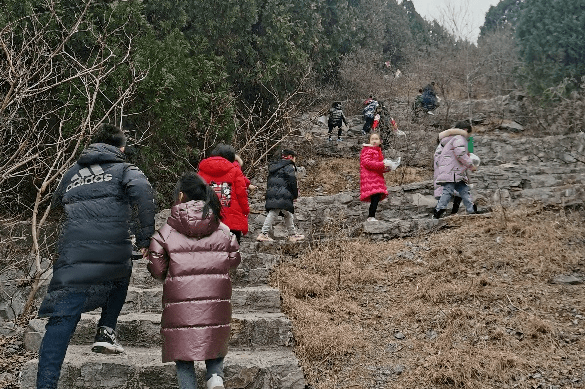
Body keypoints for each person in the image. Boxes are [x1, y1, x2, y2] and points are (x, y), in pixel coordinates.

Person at [36, 123, 155, 389]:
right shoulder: (125, 169)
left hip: (73, 252)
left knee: (62, 317)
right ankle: (106, 330)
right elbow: (144, 194)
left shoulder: (71, 173)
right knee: (121, 275)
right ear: (121, 147)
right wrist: (144, 238)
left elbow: (55, 207)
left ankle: (45, 385)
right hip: (111, 245)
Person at [147, 172, 240, 389]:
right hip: (215, 300)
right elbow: (234, 259)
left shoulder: (167, 231)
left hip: (180, 300)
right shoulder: (222, 229)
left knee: (183, 354)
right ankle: (215, 377)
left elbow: (156, 265)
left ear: (181, 196)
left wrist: (169, 275)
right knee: (214, 338)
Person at [198, 144, 250, 244]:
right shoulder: (235, 171)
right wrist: (246, 211)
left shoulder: (201, 171)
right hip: (231, 222)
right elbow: (241, 195)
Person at [256, 149, 304, 242]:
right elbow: (292, 182)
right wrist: (295, 194)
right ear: (290, 157)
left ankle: (292, 234)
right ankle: (263, 233)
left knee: (288, 214)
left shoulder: (274, 166)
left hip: (273, 192)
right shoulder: (289, 166)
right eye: (294, 158)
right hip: (283, 194)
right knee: (274, 212)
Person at [433, 121, 477, 219]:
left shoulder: (448, 140)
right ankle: (438, 210)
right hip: (452, 171)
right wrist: (470, 164)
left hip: (454, 171)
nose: (469, 136)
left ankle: (471, 209)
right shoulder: (459, 138)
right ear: (465, 130)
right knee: (448, 190)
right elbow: (460, 154)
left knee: (464, 190)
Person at [360, 132, 396, 222]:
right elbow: (367, 163)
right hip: (370, 177)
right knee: (375, 197)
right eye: (372, 139)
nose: (374, 141)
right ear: (369, 141)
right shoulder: (368, 150)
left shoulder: (378, 152)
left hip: (376, 177)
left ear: (380, 141)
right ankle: (371, 216)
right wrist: (382, 164)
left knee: (376, 197)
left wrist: (387, 167)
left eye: (376, 139)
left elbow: (379, 167)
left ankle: (372, 216)